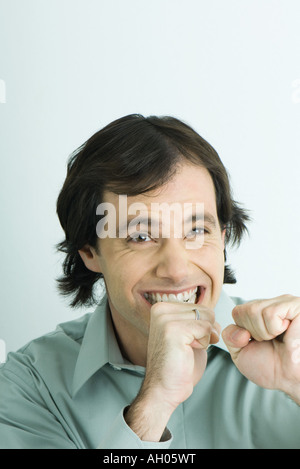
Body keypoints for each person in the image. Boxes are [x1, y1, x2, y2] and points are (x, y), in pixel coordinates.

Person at [0, 114, 299, 449]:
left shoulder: (293, 353)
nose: (176, 269)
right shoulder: (30, 386)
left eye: (197, 231)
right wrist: (154, 404)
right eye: (141, 236)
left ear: (223, 236)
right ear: (89, 251)